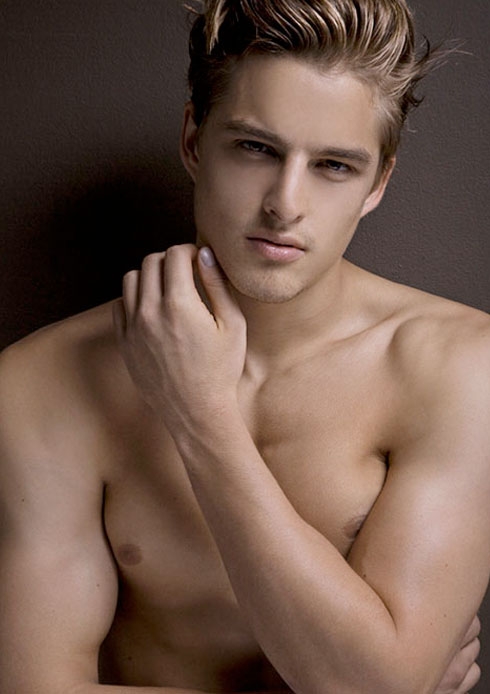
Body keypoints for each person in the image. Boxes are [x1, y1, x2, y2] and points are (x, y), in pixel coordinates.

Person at [0, 0, 488, 692]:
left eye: (334, 166)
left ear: (377, 183)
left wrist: (200, 415)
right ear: (194, 141)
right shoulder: (39, 383)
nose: (285, 204)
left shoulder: (461, 369)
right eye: (256, 149)